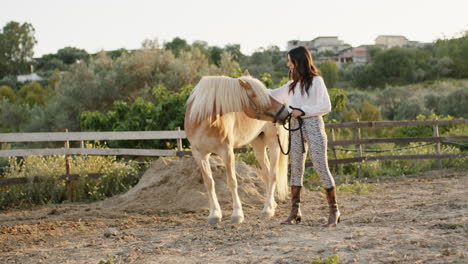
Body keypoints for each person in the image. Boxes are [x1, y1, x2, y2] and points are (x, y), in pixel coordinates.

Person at [269, 46, 340, 227]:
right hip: (295, 127)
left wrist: (303, 111)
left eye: (290, 60)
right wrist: (249, 86)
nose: (288, 64)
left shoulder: (316, 82)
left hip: (313, 125)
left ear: (298, 61)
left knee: (320, 165)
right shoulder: (290, 86)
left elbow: (326, 106)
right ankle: (295, 211)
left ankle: (334, 210)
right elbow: (269, 94)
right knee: (296, 168)